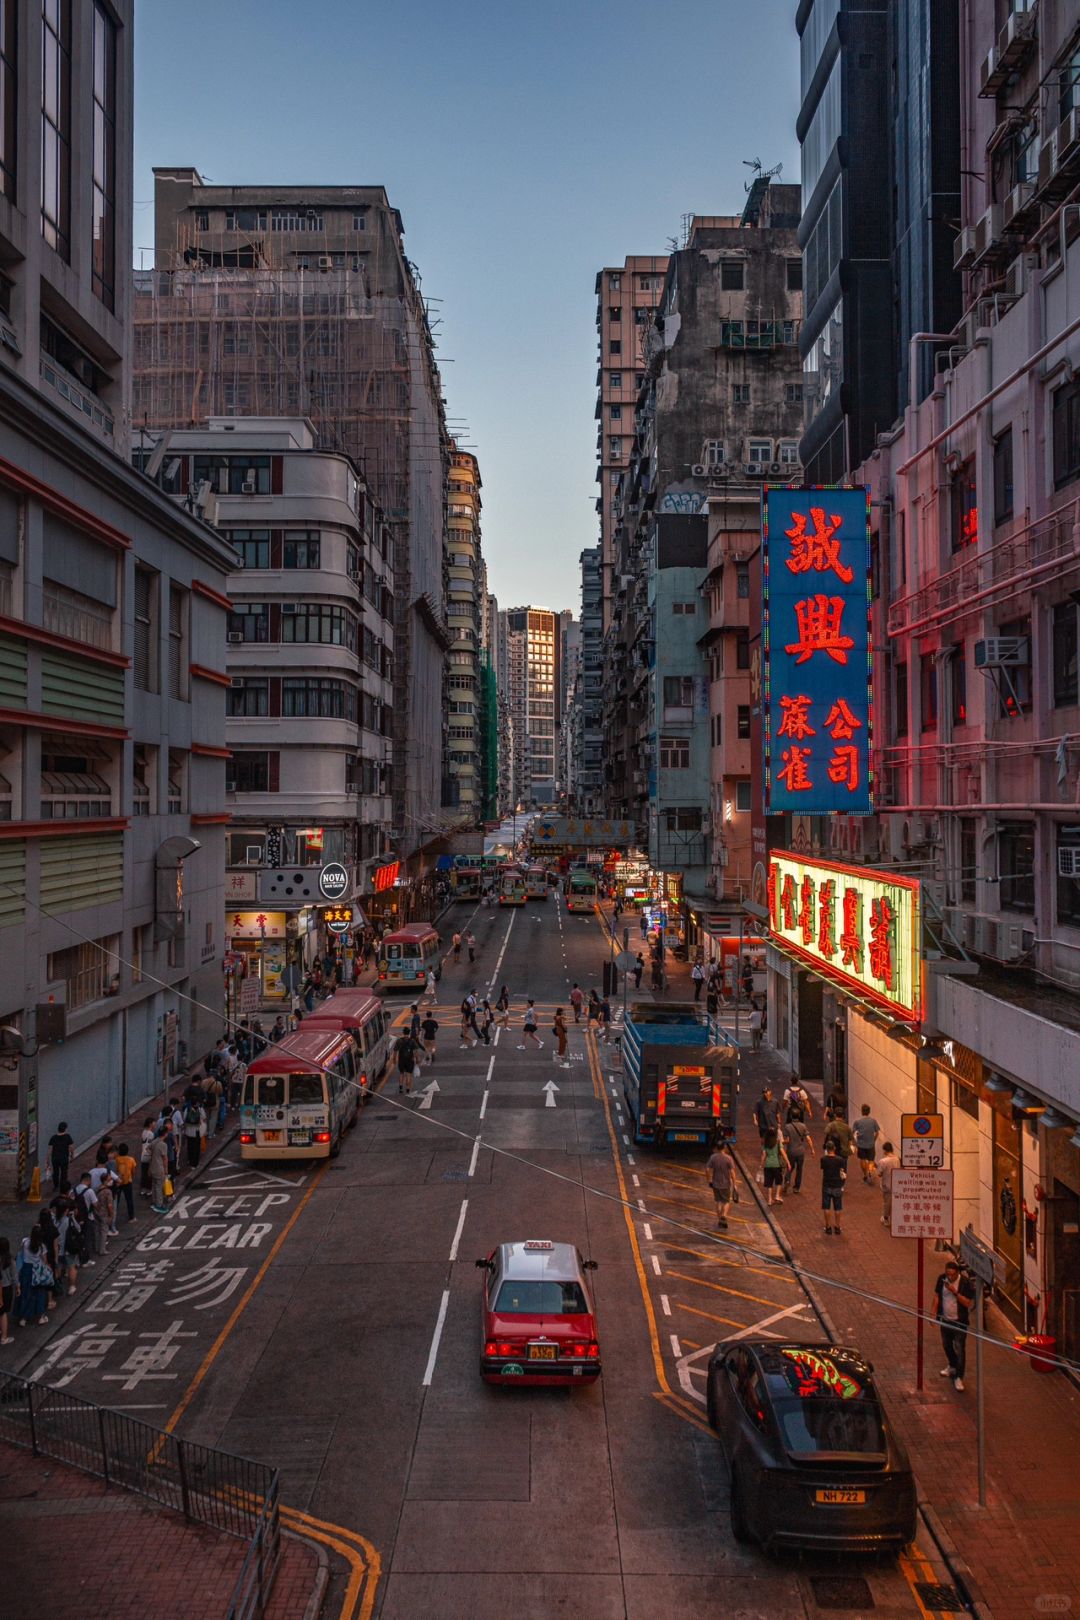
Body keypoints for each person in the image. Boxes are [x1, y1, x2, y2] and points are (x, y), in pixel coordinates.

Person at [934, 1259, 975, 1392]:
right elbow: (937, 1296)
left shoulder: (965, 1283)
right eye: (948, 1274)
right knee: (946, 1345)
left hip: (959, 1322)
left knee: (959, 1348)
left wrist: (954, 1291)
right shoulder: (942, 1279)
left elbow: (967, 1303)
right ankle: (952, 1365)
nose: (949, 1277)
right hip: (945, 1320)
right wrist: (933, 1312)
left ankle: (959, 1376)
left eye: (952, 1275)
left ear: (958, 1273)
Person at [17, 1224, 53, 1326]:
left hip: (26, 1270)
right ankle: (41, 1316)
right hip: (38, 1271)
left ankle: (23, 1318)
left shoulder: (25, 1242)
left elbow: (21, 1254)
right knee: (40, 1294)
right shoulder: (42, 1247)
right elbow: (44, 1261)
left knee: (26, 1294)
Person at [706, 1138, 737, 1229]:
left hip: (716, 1183)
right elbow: (732, 1173)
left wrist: (709, 1180)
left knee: (718, 1201)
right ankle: (724, 1215)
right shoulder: (729, 1158)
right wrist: (734, 1184)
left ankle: (720, 1219)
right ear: (724, 1147)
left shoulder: (713, 1157)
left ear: (717, 1148)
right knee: (726, 1201)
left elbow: (707, 1169)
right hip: (726, 1184)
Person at [782, 1110, 813, 1193]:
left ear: (791, 1116)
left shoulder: (787, 1127)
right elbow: (808, 1139)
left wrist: (781, 1143)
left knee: (789, 1167)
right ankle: (796, 1188)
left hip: (791, 1151)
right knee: (799, 1170)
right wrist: (812, 1149)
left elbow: (787, 1140)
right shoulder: (803, 1126)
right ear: (799, 1116)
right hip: (800, 1151)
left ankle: (787, 1180)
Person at [820, 1140, 847, 1235]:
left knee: (826, 1207)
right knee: (838, 1207)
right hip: (837, 1185)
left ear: (827, 1149)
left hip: (827, 1184)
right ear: (834, 1148)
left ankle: (827, 1226)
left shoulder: (823, 1159)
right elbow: (842, 1170)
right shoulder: (840, 1160)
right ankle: (837, 1226)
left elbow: (822, 1168)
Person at [852, 1104, 881, 1183]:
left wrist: (855, 1142)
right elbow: (877, 1132)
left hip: (861, 1144)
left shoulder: (857, 1121)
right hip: (871, 1144)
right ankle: (870, 1172)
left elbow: (853, 1132)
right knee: (871, 1160)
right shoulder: (873, 1121)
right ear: (869, 1111)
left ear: (862, 1111)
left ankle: (865, 1174)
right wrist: (873, 1140)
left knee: (862, 1159)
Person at [760, 1129, 789, 1206]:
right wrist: (788, 1163)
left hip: (768, 1165)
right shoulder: (778, 1142)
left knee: (769, 1183)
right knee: (778, 1181)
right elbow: (783, 1153)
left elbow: (763, 1155)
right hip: (776, 1164)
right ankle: (777, 1196)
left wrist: (761, 1165)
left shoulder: (765, 1143)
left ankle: (769, 1200)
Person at [877, 1140, 901, 1226]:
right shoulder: (897, 1159)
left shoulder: (883, 1161)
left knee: (887, 1202)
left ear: (885, 1150)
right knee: (895, 1202)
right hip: (897, 1185)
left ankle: (886, 1219)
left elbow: (879, 1174)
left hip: (887, 1185)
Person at [48, 1121, 74, 1193]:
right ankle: (63, 1186)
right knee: (64, 1172)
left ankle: (56, 1186)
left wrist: (47, 1160)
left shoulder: (53, 1138)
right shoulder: (67, 1137)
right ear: (65, 1129)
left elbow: (50, 1150)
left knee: (55, 1172)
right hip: (64, 1158)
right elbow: (71, 1147)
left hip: (55, 1158)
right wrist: (72, 1156)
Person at [114, 1143, 137, 1224]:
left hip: (118, 1182)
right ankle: (132, 1217)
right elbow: (133, 1171)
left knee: (116, 1200)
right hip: (128, 1181)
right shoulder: (131, 1159)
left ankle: (113, 1217)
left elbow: (116, 1170)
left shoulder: (116, 1159)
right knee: (129, 1200)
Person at [149, 1129, 170, 1214]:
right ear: (165, 1134)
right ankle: (159, 1204)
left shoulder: (154, 1142)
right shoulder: (163, 1145)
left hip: (152, 1167)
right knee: (159, 1186)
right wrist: (166, 1170)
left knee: (154, 1185)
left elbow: (148, 1149)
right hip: (159, 1168)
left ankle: (154, 1202)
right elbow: (165, 1158)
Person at [183, 1095, 205, 1171]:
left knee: (190, 1146)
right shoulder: (200, 1109)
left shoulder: (187, 1109)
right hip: (197, 1131)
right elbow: (203, 1118)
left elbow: (184, 1118)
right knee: (196, 1147)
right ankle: (195, 1163)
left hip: (189, 1131)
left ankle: (190, 1160)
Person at [0, 1236, 16, 1340]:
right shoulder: (9, 1260)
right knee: (3, 1312)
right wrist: (18, 1287)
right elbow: (14, 1275)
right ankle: (4, 1337)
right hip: (6, 1288)